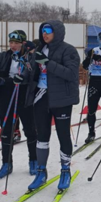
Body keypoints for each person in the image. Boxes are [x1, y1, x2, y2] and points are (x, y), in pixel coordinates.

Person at [27, 21, 81, 191]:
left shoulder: (68, 50)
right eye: (43, 30)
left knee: (63, 135)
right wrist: (24, 77)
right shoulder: (39, 50)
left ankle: (65, 170)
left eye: (48, 30)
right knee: (41, 135)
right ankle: (41, 172)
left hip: (61, 99)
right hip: (41, 97)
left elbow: (72, 74)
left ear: (57, 32)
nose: (45, 33)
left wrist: (48, 63)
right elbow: (34, 73)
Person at [0, 30, 38, 178]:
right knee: (6, 129)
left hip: (24, 95)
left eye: (16, 43)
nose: (13, 45)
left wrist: (25, 77)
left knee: (29, 128)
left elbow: (35, 74)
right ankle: (6, 163)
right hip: (6, 95)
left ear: (23, 44)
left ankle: (33, 160)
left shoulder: (30, 57)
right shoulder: (3, 56)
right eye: (11, 42)